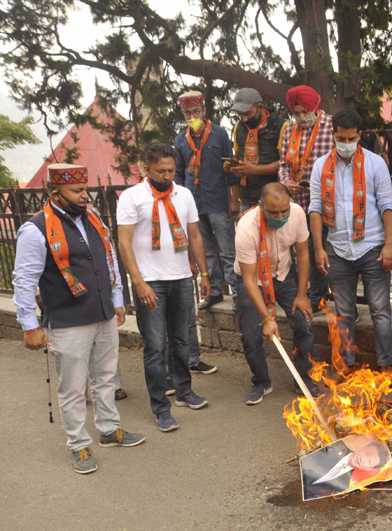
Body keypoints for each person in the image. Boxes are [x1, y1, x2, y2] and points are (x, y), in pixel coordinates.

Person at [12, 163, 145, 474]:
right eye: (77, 191)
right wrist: (29, 325)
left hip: (102, 313)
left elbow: (108, 261)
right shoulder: (35, 230)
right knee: (72, 387)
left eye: (86, 189)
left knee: (107, 377)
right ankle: (79, 444)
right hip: (68, 319)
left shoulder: (94, 218)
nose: (85, 196)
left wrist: (116, 301)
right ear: (55, 194)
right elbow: (24, 280)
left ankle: (110, 430)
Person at [117, 143, 213, 433]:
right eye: (161, 171)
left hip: (182, 277)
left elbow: (194, 234)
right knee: (156, 347)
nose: (167, 175)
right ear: (147, 168)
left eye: (171, 170)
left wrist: (204, 272)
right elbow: (124, 242)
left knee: (182, 339)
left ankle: (185, 390)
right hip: (150, 281)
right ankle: (161, 407)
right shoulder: (133, 197)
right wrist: (139, 281)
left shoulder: (183, 194)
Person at [309, 110, 392, 385]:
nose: (344, 143)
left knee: (380, 310)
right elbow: (315, 209)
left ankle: (386, 366)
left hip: (372, 247)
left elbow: (387, 205)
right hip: (337, 248)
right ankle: (348, 364)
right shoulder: (321, 166)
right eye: (339, 138)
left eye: (350, 138)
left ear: (359, 136)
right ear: (332, 135)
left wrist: (390, 245)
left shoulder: (375, 164)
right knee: (344, 312)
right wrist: (319, 248)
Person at [234, 182, 324, 404]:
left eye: (284, 210)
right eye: (274, 212)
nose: (281, 216)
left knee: (304, 322)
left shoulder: (297, 214)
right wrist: (267, 318)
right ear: (260, 205)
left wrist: (302, 294)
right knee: (251, 336)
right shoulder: (246, 228)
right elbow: (248, 279)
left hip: (283, 275)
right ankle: (261, 382)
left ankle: (303, 378)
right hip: (254, 280)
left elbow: (302, 254)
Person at [174, 90, 238, 310]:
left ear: (204, 110)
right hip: (194, 203)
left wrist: (234, 199)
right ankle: (216, 291)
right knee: (207, 250)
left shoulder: (219, 134)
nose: (192, 116)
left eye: (196, 111)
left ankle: (238, 293)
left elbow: (231, 169)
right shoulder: (181, 139)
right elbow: (179, 173)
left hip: (218, 199)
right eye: (188, 112)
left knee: (227, 249)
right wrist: (181, 199)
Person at [278, 85, 335, 311]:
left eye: (305, 111)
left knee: (336, 252)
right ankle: (317, 296)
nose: (301, 117)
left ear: (315, 106)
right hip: (302, 203)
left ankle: (344, 302)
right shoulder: (289, 130)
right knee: (311, 251)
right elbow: (283, 164)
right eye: (297, 112)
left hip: (330, 202)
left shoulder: (331, 125)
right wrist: (286, 183)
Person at [227, 88, 287, 213]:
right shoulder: (238, 127)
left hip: (273, 196)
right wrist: (231, 165)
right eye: (239, 114)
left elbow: (285, 165)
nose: (244, 119)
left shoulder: (282, 126)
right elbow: (237, 158)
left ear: (260, 107)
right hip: (246, 198)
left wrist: (255, 170)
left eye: (247, 113)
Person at [301, 434, 391, 500]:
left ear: (368, 469)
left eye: (369, 461)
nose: (363, 459)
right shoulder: (334, 444)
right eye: (367, 453)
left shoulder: (343, 485)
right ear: (362, 448)